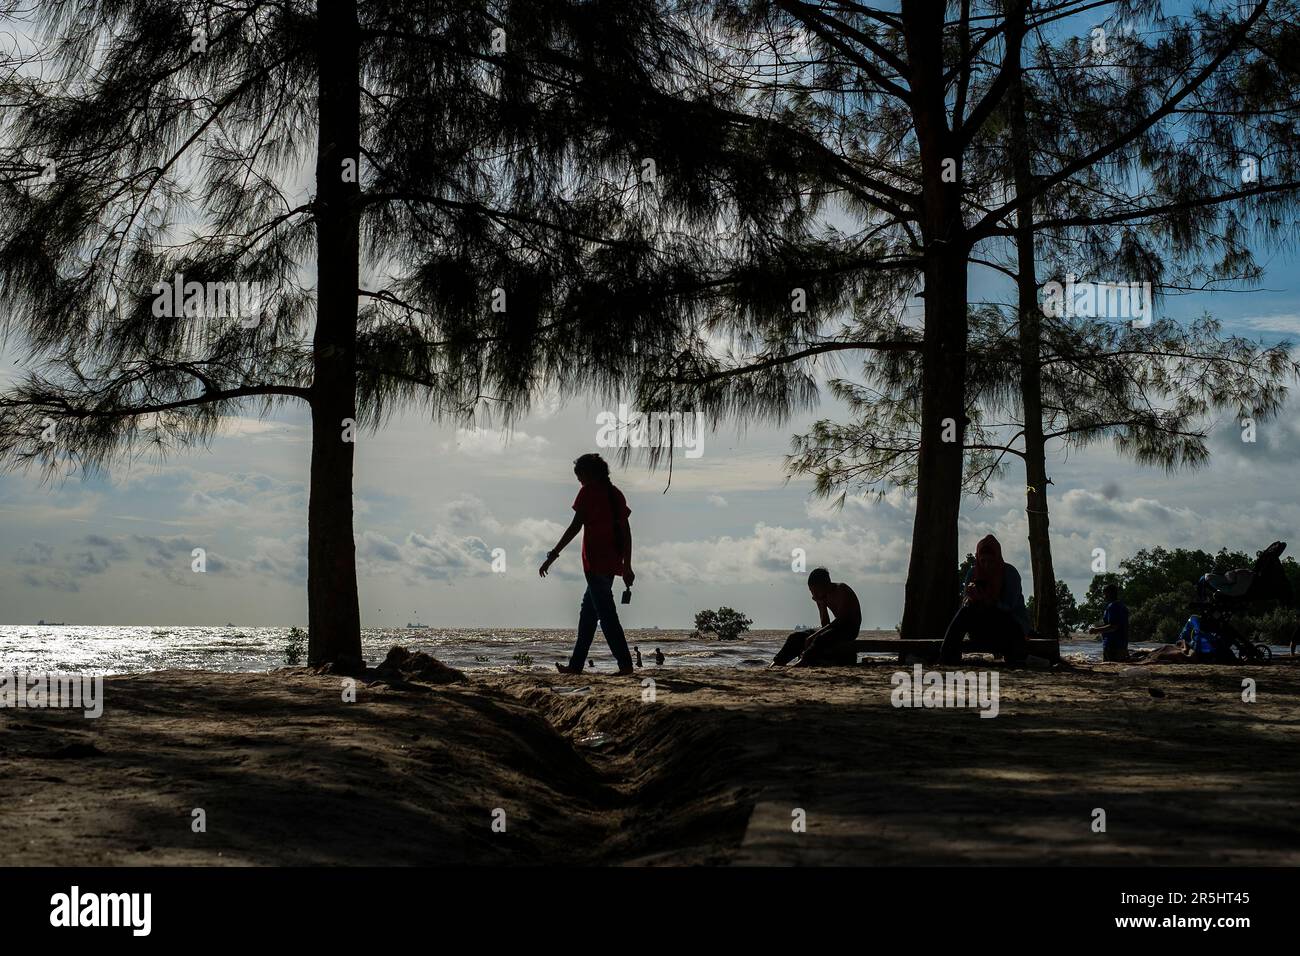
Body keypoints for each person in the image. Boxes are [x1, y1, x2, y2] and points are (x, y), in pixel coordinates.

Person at [539, 453, 635, 675]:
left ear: (589, 474)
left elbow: (575, 526)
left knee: (607, 616)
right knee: (588, 616)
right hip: (611, 563)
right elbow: (627, 533)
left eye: (580, 475)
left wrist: (553, 554)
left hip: (594, 564)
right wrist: (627, 565)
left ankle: (626, 665)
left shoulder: (588, 492)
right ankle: (576, 666)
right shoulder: (616, 494)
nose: (578, 480)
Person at [938, 535, 1030, 665]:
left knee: (1003, 616)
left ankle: (1016, 655)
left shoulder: (1010, 574)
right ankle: (946, 656)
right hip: (982, 627)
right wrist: (971, 598)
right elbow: (965, 603)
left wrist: (990, 601)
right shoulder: (972, 573)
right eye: (983, 561)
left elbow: (1010, 607)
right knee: (965, 611)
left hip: (1008, 628)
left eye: (991, 561)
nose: (986, 565)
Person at [771, 568, 862, 667]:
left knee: (820, 638)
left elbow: (841, 620)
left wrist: (814, 636)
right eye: (811, 591)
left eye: (814, 590)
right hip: (834, 629)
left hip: (849, 630)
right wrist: (822, 603)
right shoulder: (823, 596)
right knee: (796, 637)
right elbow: (825, 624)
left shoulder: (841, 590)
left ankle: (804, 661)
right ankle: (778, 662)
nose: (813, 594)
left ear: (824, 585)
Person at [1088, 582, 1130, 662]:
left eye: (1105, 594)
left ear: (1110, 593)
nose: (1104, 596)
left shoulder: (1112, 607)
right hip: (1122, 644)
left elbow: (1113, 627)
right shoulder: (1122, 606)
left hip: (1112, 645)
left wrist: (1095, 630)